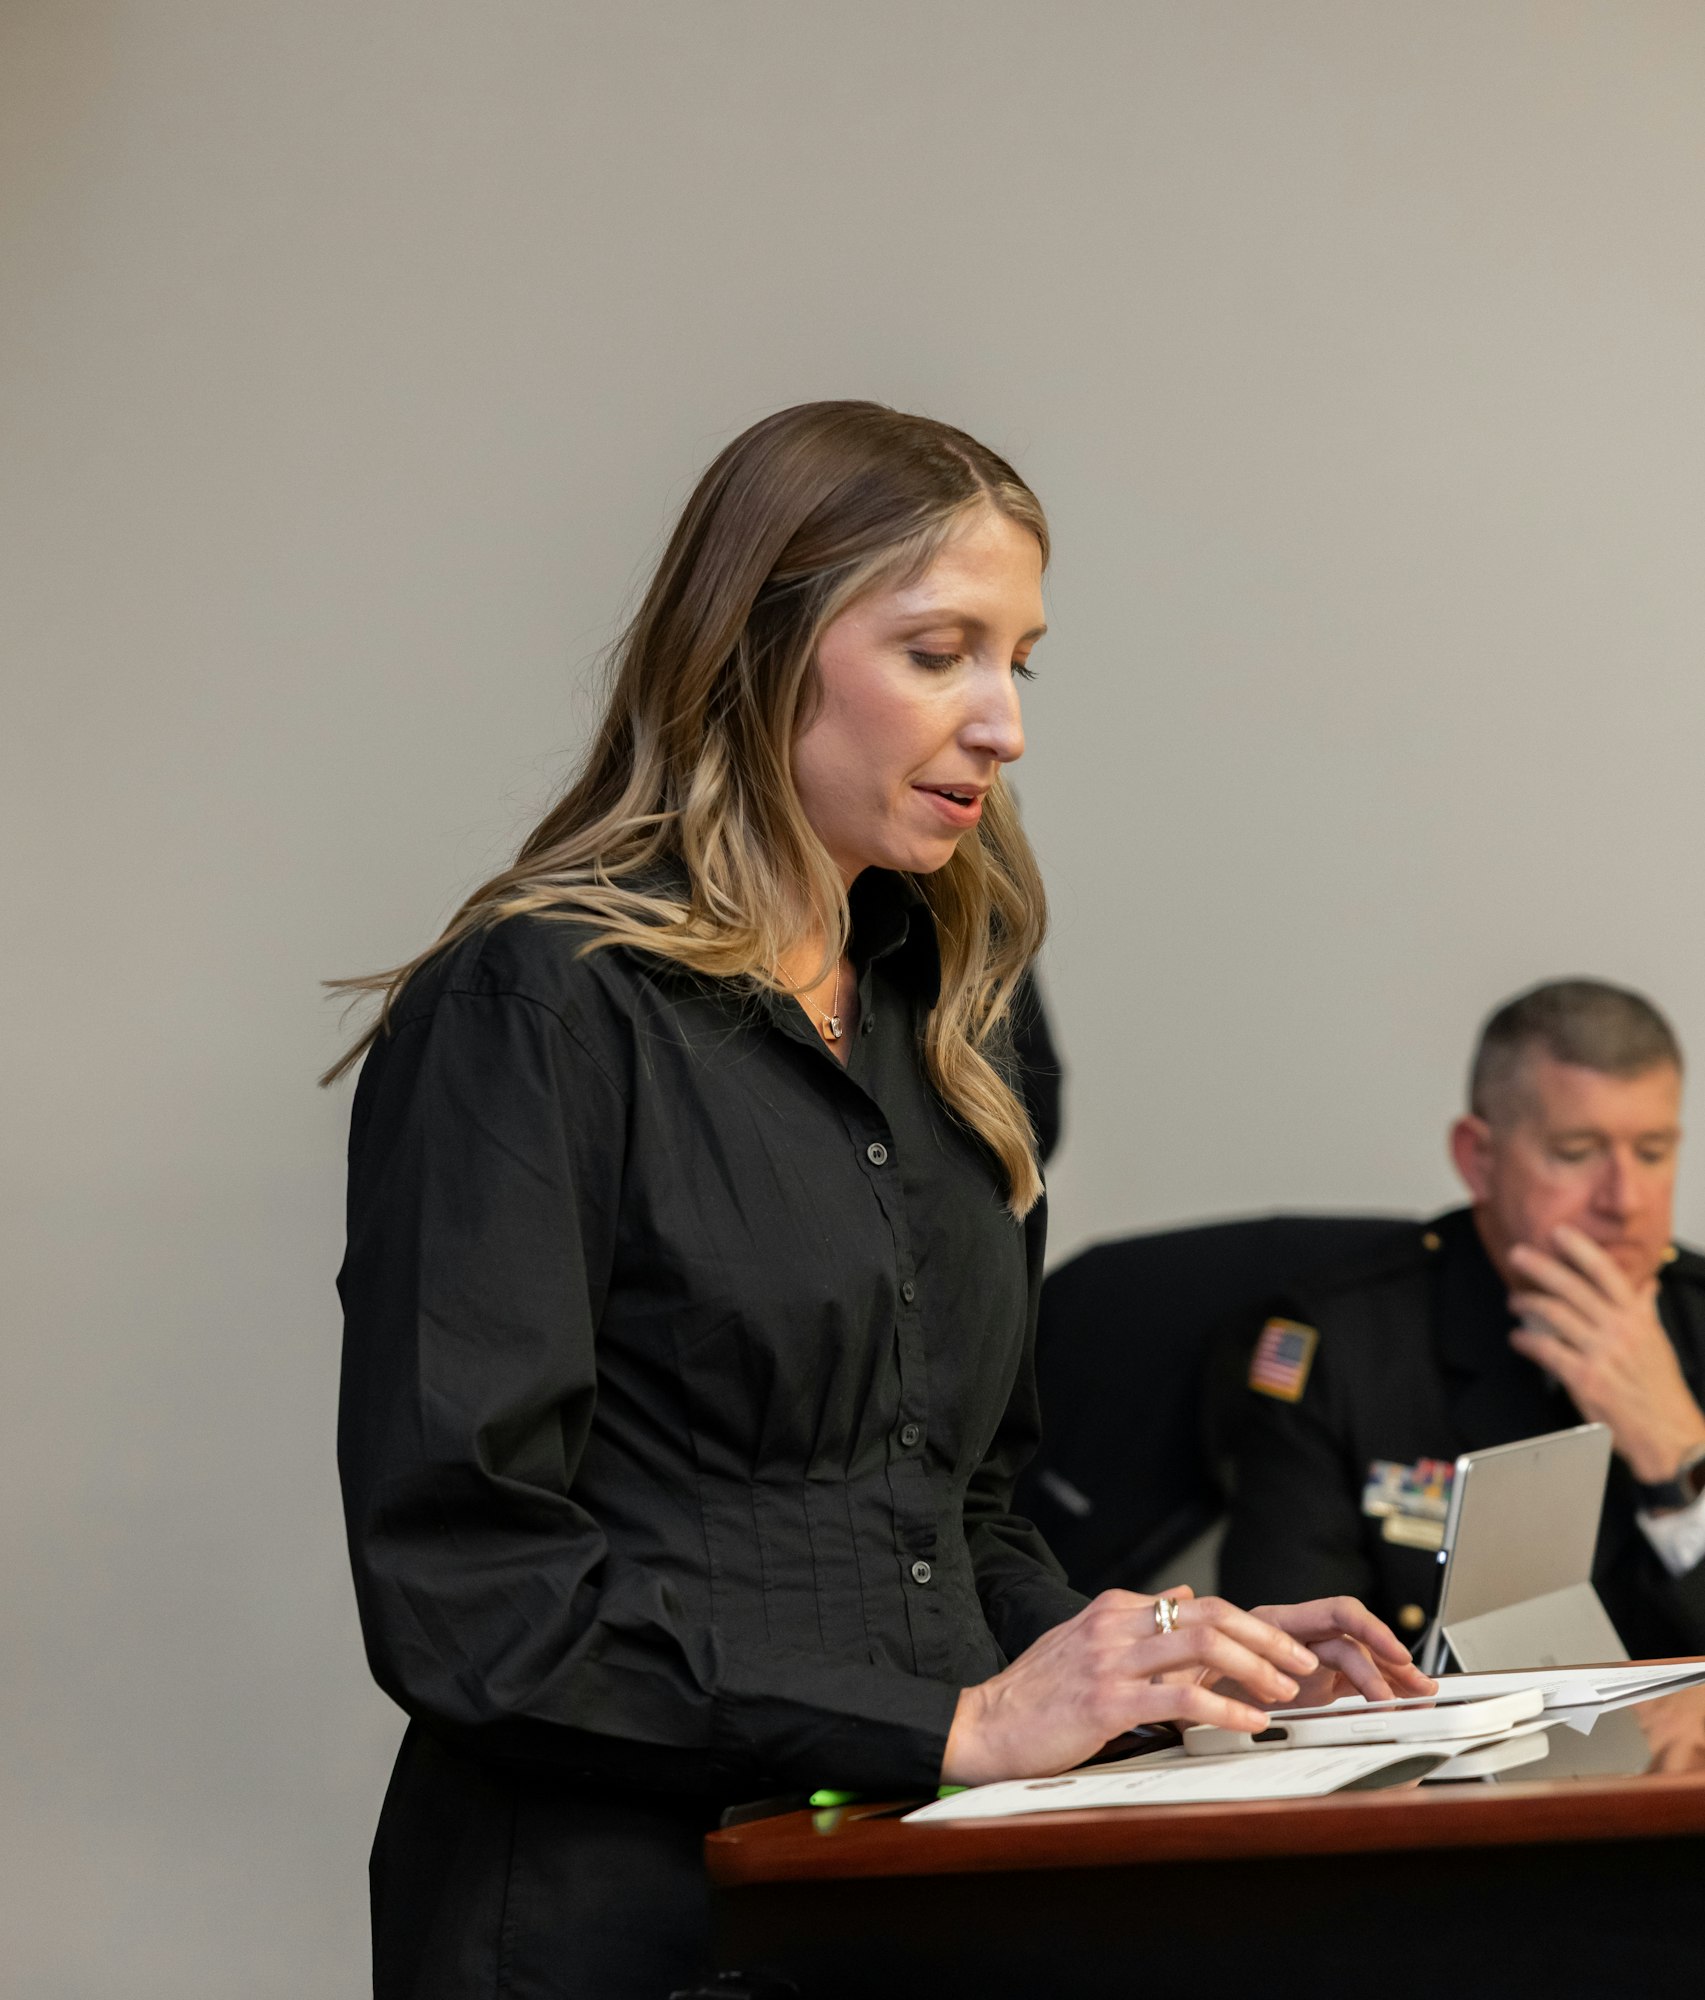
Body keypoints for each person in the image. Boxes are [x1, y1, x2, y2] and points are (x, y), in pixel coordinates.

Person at [331, 401, 1430, 2000]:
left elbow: (957, 1519)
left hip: (902, 1892)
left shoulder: (964, 1021)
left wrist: (1163, 1661)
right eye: (938, 652)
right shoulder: (538, 1011)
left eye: (1020, 660)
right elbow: (468, 1600)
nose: (1004, 723)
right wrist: (954, 1727)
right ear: (756, 649)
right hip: (613, 1927)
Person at [1221, 978, 1705, 1659]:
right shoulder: (1343, 1341)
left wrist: (1678, 1457)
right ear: (1478, 1158)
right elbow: (1283, 1661)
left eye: (1652, 1152)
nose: (1624, 1200)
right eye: (1575, 1153)